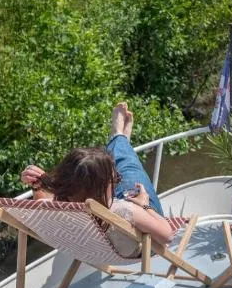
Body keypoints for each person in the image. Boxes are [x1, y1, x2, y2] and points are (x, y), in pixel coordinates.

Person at [20, 103, 173, 257]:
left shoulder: (57, 208)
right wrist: (145, 205)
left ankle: (120, 139)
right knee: (129, 169)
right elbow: (168, 236)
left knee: (106, 165)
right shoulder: (126, 211)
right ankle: (119, 138)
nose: (117, 181)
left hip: (98, 241)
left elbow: (46, 198)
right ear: (103, 185)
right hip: (137, 247)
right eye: (114, 179)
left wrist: (38, 185)